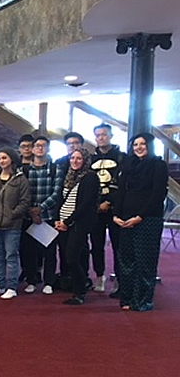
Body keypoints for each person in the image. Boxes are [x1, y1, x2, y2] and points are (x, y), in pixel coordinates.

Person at [112, 133, 168, 312]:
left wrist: (140, 217)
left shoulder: (158, 165)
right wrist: (116, 214)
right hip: (125, 220)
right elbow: (121, 191)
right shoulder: (128, 164)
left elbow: (158, 195)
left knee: (145, 262)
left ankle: (142, 300)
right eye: (135, 144)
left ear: (150, 145)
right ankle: (127, 298)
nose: (138, 147)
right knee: (126, 261)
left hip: (148, 219)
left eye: (143, 144)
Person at [0, 147, 31, 299]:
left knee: (11, 256)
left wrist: (12, 214)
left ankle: (12, 287)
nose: (1, 161)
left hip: (12, 225)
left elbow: (25, 202)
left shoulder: (20, 179)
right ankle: (0, 284)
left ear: (12, 159)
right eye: (0, 159)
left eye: (4, 158)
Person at [55, 149, 100, 305]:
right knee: (68, 258)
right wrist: (58, 220)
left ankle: (81, 290)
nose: (75, 161)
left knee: (72, 258)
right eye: (72, 158)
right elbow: (61, 199)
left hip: (78, 223)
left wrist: (68, 221)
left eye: (79, 158)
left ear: (85, 160)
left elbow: (85, 204)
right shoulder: (69, 176)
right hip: (63, 223)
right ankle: (77, 289)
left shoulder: (90, 177)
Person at [21, 136, 65, 295]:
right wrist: (31, 212)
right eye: (37, 146)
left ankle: (49, 282)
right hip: (28, 217)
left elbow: (57, 193)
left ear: (48, 149)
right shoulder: (23, 170)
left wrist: (40, 209)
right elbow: (21, 194)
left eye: (43, 146)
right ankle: (31, 280)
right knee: (29, 251)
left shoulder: (55, 168)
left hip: (48, 215)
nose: (40, 149)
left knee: (50, 252)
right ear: (31, 149)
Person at [90, 123, 125, 294]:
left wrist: (110, 202)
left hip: (115, 209)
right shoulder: (90, 159)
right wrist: (96, 204)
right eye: (98, 135)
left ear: (111, 135)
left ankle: (119, 277)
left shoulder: (122, 158)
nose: (101, 138)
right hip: (95, 210)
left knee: (118, 244)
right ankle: (99, 275)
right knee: (96, 244)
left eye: (104, 134)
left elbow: (124, 185)